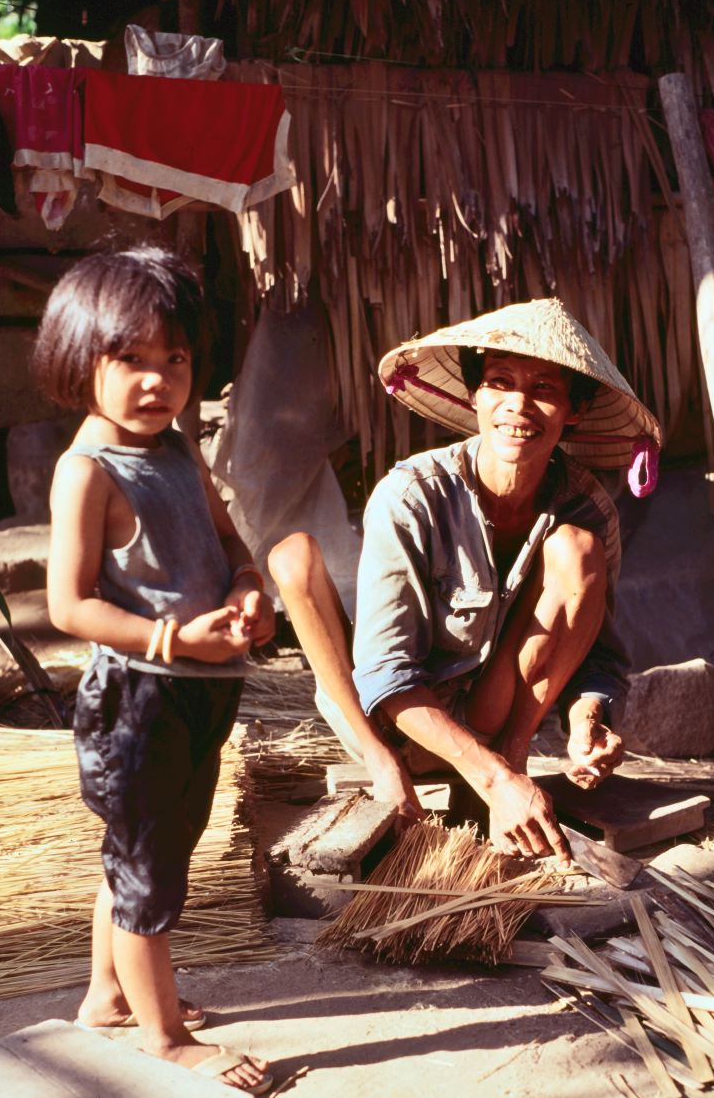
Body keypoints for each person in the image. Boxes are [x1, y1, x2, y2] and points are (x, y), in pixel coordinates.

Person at [269, 298, 661, 862]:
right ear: (475, 395)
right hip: (392, 720)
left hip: (486, 717)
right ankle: (435, 770)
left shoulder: (587, 508)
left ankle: (513, 755)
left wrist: (585, 722)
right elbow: (385, 672)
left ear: (574, 409)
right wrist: (413, 770)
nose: (517, 407)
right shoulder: (413, 494)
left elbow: (598, 657)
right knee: (292, 555)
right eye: (500, 383)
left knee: (577, 550)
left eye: (544, 389)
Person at [38, 247, 275, 1094]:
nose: (157, 380)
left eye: (173, 359)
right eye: (130, 359)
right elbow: (69, 607)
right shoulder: (87, 473)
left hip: (204, 691)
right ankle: (164, 1038)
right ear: (80, 357)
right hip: (140, 700)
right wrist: (177, 641)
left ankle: (107, 997)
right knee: (146, 871)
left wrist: (250, 587)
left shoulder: (178, 448)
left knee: (142, 852)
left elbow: (225, 540)